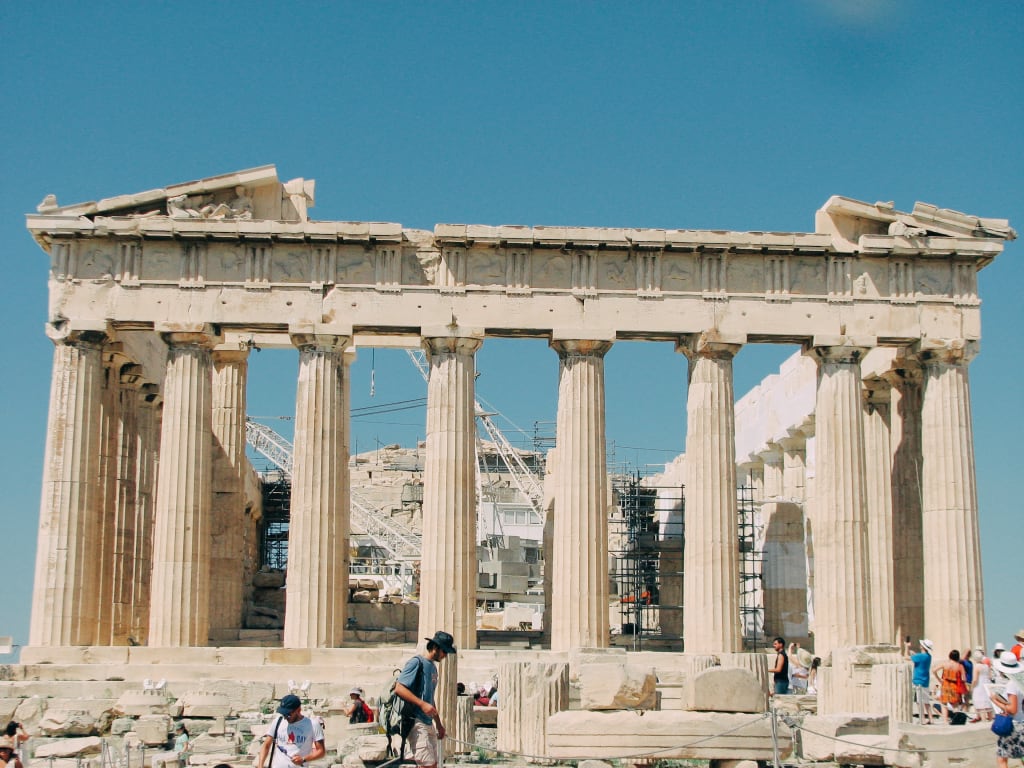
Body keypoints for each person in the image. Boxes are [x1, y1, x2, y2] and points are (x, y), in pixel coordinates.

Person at [395, 630, 457, 768]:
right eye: (444, 651)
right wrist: (421, 704)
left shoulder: (433, 668)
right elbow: (399, 688)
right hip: (416, 721)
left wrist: (439, 725)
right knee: (427, 764)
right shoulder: (416, 663)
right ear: (435, 647)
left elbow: (430, 699)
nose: (446, 655)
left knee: (433, 764)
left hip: (428, 723)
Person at [256, 695, 326, 768]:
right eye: (284, 714)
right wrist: (260, 765)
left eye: (288, 714)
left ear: (298, 710)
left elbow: (321, 751)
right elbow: (266, 745)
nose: (285, 717)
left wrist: (303, 759)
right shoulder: (278, 722)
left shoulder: (313, 725)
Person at [990, 651, 1024, 767]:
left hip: (1013, 725)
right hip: (1022, 722)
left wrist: (995, 701)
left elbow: (1012, 709)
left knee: (1002, 757)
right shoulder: (1020, 682)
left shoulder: (1011, 685)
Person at [906, 638, 934, 725]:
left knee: (919, 701)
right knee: (926, 701)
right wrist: (914, 654)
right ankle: (931, 718)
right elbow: (918, 658)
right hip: (925, 680)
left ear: (923, 647)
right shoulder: (928, 656)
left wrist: (906, 647)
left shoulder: (920, 656)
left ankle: (922, 719)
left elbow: (906, 657)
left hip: (918, 680)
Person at [935, 649, 967, 722]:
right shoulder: (960, 666)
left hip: (945, 685)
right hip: (955, 686)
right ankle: (956, 719)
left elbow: (934, 670)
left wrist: (939, 679)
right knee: (955, 705)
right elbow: (964, 678)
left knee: (944, 704)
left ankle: (945, 721)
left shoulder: (945, 664)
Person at [969, 649, 994, 722]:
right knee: (987, 702)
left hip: (979, 686)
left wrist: (972, 687)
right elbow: (990, 676)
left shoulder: (976, 666)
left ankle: (983, 720)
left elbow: (975, 679)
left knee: (980, 703)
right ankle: (990, 718)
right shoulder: (986, 666)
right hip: (986, 684)